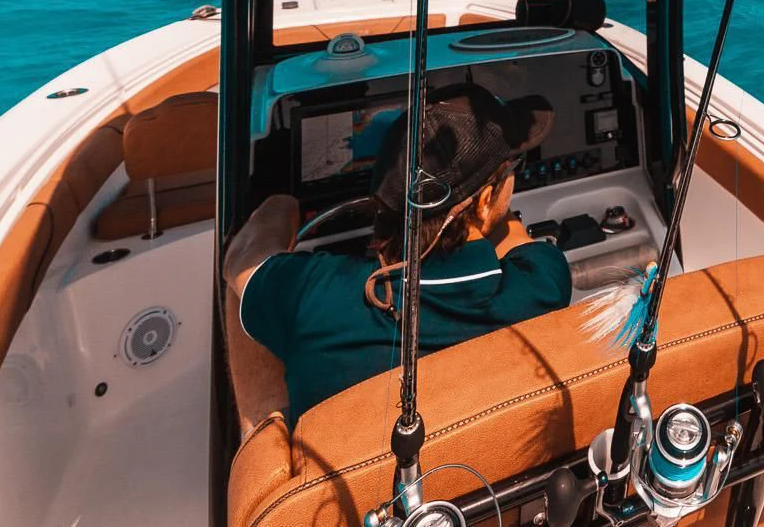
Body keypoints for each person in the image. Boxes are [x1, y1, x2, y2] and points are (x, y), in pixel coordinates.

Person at [224, 85, 573, 428]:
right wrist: (479, 205)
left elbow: (240, 261)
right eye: (514, 169)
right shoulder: (542, 282)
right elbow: (515, 237)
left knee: (243, 297)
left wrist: (282, 201)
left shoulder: (312, 296)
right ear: (484, 203)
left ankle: (257, 436)